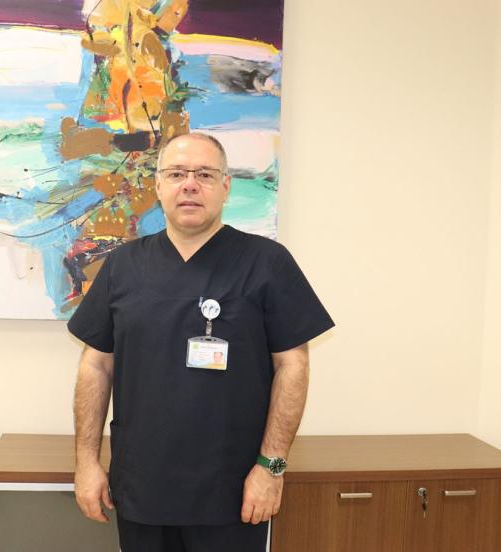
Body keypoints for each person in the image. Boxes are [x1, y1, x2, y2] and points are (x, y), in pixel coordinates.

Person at [68, 133, 334, 551]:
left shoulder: (267, 263)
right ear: (158, 185)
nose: (190, 184)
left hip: (233, 491)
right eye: (177, 174)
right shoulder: (122, 266)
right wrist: (86, 462)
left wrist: (271, 468)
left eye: (205, 175)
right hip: (142, 486)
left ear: (226, 187)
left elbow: (293, 365)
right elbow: (96, 366)